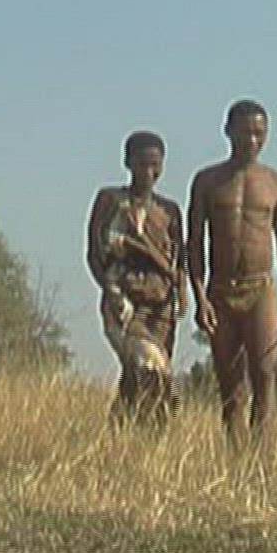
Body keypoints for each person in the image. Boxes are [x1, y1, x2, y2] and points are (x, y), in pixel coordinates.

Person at [187, 100, 277, 448]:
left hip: (260, 289)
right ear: (228, 131)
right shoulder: (207, 181)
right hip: (220, 291)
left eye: (259, 133)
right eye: (245, 132)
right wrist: (200, 298)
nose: (252, 140)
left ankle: (262, 462)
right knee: (231, 388)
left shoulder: (275, 182)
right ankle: (236, 463)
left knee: (265, 375)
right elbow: (194, 243)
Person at [86, 131, 188, 426]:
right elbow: (93, 253)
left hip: (161, 304)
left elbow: (179, 257)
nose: (149, 172)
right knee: (150, 366)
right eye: (142, 164)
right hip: (125, 300)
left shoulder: (169, 210)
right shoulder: (110, 201)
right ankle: (144, 427)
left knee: (140, 376)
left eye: (156, 165)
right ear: (128, 163)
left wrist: (182, 292)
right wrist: (110, 290)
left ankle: (135, 435)